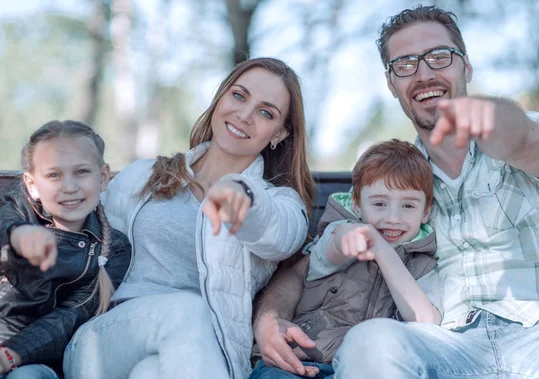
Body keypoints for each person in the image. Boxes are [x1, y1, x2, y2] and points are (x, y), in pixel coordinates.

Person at [252, 5, 539, 379]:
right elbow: (310, 264)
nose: (424, 74)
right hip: (446, 345)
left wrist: (496, 121)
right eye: (405, 65)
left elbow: (527, 142)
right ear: (391, 84)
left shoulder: (527, 132)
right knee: (371, 341)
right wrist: (270, 316)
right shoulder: (395, 177)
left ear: (466, 67)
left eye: (439, 57)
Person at [63, 57, 314, 379]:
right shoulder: (144, 176)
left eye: (266, 112)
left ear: (280, 132)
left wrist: (242, 193)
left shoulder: (280, 204)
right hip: (105, 340)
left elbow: (278, 235)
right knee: (189, 310)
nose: (244, 115)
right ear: (220, 98)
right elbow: (86, 240)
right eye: (238, 96)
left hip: (202, 355)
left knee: (151, 373)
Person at [250, 139, 442, 379]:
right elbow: (334, 246)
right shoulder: (345, 232)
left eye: (408, 205)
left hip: (355, 368)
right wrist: (353, 236)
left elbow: (426, 319)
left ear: (425, 212)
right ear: (357, 205)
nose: (393, 218)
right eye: (380, 203)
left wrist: (382, 250)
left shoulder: (423, 264)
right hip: (297, 359)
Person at [0, 120, 131, 379]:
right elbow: (5, 225)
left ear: (103, 177)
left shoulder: (113, 249)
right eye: (53, 175)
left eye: (81, 172)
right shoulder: (14, 212)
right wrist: (19, 235)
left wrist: (9, 355)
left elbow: (69, 317)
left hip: (31, 359)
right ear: (32, 185)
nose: (69, 187)